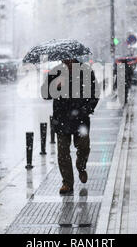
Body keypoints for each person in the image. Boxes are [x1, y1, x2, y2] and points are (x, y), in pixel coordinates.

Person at [42, 59, 100, 195]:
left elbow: (95, 93)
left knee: (84, 147)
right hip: (61, 119)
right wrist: (55, 86)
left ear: (74, 58)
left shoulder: (85, 71)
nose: (66, 62)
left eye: (69, 59)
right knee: (63, 153)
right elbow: (45, 94)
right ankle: (67, 183)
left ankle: (81, 166)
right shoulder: (55, 72)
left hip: (81, 118)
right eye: (64, 60)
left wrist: (86, 109)